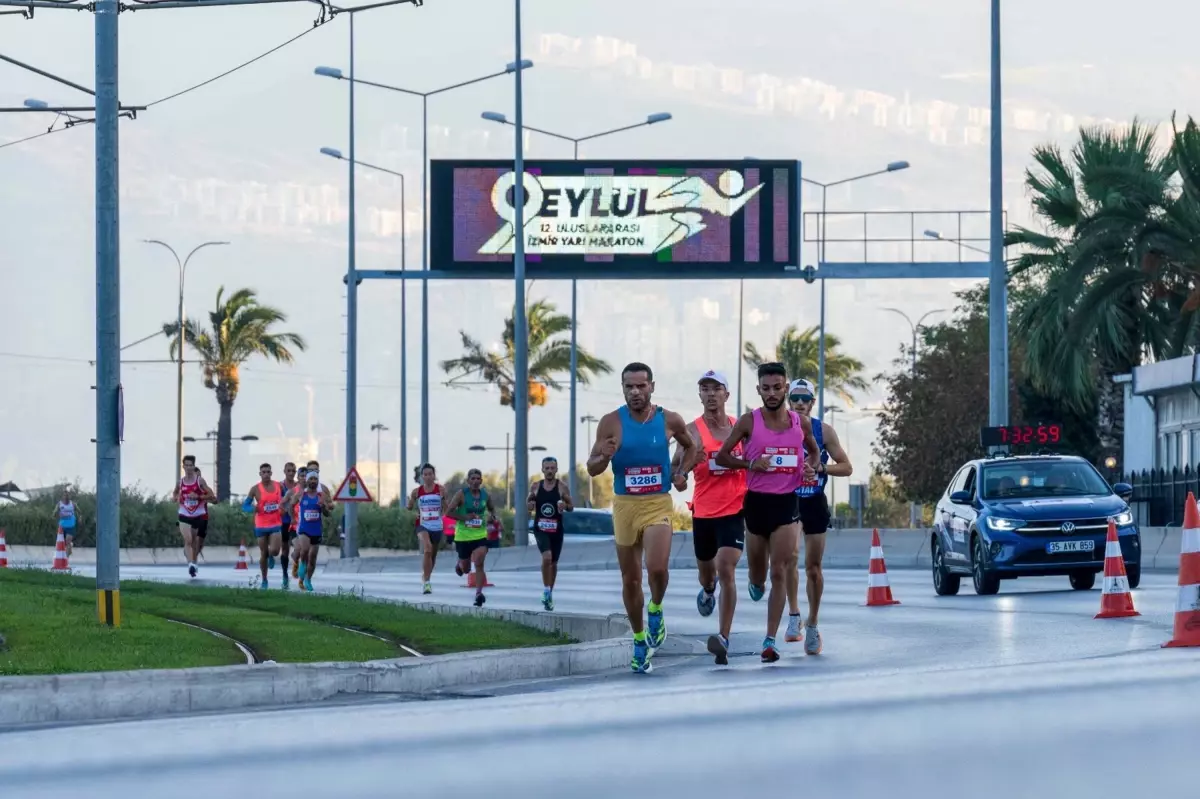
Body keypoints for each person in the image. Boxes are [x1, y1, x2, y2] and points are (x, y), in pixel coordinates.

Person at [588, 362, 696, 673]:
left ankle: (656, 608)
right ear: (623, 389)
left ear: (652, 386)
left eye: (641, 386)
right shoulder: (611, 422)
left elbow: (692, 448)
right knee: (631, 579)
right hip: (624, 506)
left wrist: (680, 472)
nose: (635, 392)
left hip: (657, 503)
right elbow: (592, 467)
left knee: (658, 569)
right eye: (629, 387)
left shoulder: (669, 420)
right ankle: (638, 639)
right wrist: (604, 456)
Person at [716, 362, 819, 663]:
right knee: (759, 576)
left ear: (786, 388)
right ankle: (755, 582)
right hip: (757, 504)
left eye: (777, 387)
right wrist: (749, 464)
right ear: (759, 390)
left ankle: (769, 641)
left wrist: (809, 467)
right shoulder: (749, 421)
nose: (772, 393)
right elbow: (722, 456)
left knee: (780, 570)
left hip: (788, 503)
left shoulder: (800, 423)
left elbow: (812, 450)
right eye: (766, 388)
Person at [671, 370, 747, 665]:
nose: (711, 394)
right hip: (703, 511)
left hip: (735, 509)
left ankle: (723, 637)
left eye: (717, 389)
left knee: (726, 567)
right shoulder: (691, 431)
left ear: (727, 395)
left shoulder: (740, 428)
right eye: (705, 389)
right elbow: (675, 468)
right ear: (699, 395)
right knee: (708, 573)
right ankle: (707, 589)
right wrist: (678, 477)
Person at [786, 378, 853, 654]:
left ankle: (812, 624)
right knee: (789, 558)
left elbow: (847, 467)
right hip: (788, 501)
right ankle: (793, 616)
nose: (800, 403)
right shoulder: (778, 429)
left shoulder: (823, 431)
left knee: (813, 567)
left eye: (805, 399)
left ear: (813, 403)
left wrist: (822, 469)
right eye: (795, 399)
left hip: (814, 501)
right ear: (788, 401)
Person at [445, 469, 498, 608]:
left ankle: (479, 594)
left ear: (481, 481)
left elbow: (492, 509)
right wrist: (464, 517)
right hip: (463, 536)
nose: (475, 481)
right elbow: (448, 512)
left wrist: (493, 516)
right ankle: (460, 564)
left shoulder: (485, 495)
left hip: (480, 535)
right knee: (466, 569)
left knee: (479, 562)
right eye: (472, 478)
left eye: (478, 478)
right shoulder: (461, 494)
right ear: (468, 481)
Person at [528, 455, 574, 610]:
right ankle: (546, 590)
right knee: (546, 557)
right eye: (546, 468)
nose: (549, 471)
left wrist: (565, 506)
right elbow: (529, 504)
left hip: (556, 529)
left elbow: (571, 506)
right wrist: (530, 504)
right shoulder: (535, 486)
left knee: (553, 562)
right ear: (542, 469)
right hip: (540, 528)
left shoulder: (562, 487)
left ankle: (549, 593)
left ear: (556, 469)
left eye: (552, 468)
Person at [283, 470, 329, 592]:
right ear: (307, 481)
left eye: (315, 479)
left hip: (316, 530)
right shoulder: (301, 495)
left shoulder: (321, 496)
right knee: (305, 550)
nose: (313, 481)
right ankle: (302, 563)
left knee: (313, 558)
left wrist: (323, 507)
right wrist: (292, 518)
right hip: (304, 529)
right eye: (311, 479)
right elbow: (290, 506)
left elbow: (327, 513)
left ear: (317, 481)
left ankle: (308, 579)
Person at [172, 455, 215, 578]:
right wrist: (175, 497)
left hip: (198, 514)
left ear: (194, 466)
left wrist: (198, 497)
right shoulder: (180, 482)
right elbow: (175, 492)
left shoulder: (200, 481)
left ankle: (193, 562)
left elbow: (211, 495)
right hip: (184, 513)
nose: (189, 468)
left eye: (191, 465)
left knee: (195, 543)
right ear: (183, 466)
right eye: (187, 465)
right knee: (188, 540)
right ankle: (191, 564)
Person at [407, 463, 445, 595]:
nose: (428, 477)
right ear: (422, 477)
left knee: (432, 556)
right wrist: (410, 504)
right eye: (425, 474)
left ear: (434, 476)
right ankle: (427, 584)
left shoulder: (440, 489)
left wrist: (443, 498)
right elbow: (409, 507)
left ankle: (426, 576)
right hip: (422, 524)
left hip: (436, 525)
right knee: (427, 548)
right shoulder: (417, 491)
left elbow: (446, 508)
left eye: (430, 474)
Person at [246, 463, 285, 590]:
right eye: (264, 472)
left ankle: (271, 556)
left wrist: (284, 508)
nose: (266, 474)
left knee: (275, 550)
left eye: (268, 472)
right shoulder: (255, 489)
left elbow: (286, 499)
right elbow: (245, 505)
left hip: (275, 523)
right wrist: (253, 507)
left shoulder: (279, 486)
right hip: (261, 525)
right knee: (263, 553)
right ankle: (264, 580)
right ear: (260, 474)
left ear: (271, 473)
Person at [278, 461, 299, 590]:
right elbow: (278, 502)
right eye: (289, 470)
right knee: (285, 549)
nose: (291, 473)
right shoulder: (280, 486)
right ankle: (285, 575)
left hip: (296, 522)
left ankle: (296, 565)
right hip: (284, 521)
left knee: (299, 547)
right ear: (284, 471)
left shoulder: (299, 486)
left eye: (293, 471)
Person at [53, 488, 79, 557]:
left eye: (67, 495)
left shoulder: (73, 504)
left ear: (69, 496)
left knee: (67, 541)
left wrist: (80, 518)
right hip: (62, 526)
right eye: (65, 495)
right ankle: (70, 547)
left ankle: (66, 560)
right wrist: (56, 513)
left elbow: (79, 511)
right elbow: (54, 514)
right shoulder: (59, 504)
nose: (66, 497)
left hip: (71, 525)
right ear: (62, 496)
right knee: (63, 543)